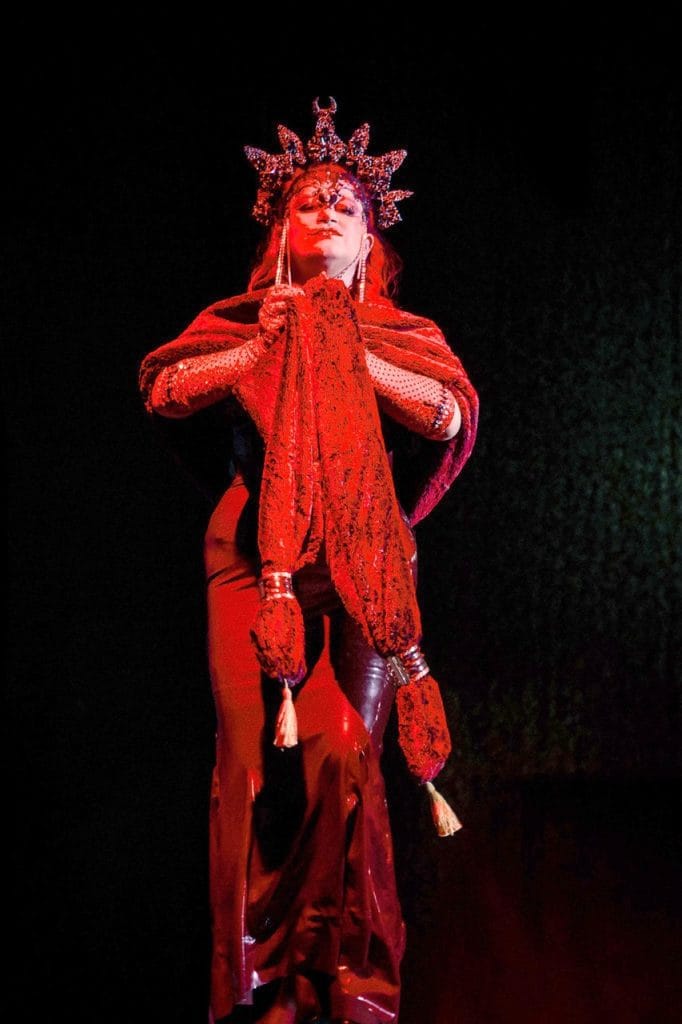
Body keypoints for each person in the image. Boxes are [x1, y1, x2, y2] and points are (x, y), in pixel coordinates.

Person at [139, 98, 479, 1024]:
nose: (328, 211)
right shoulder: (245, 320)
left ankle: (341, 989)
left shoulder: (400, 332)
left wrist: (345, 351)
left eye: (347, 205)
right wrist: (265, 345)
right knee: (252, 768)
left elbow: (446, 413)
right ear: (283, 232)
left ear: (370, 241)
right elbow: (166, 389)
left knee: (338, 753)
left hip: (361, 555)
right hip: (256, 557)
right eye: (309, 202)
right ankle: (257, 991)